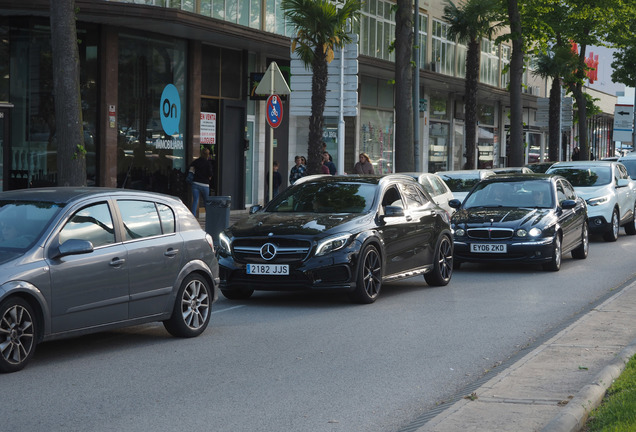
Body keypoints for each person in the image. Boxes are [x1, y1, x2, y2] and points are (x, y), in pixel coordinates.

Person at [189, 147, 213, 216]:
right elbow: (210, 174)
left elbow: (190, 168)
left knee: (195, 200)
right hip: (205, 185)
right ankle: (208, 216)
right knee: (206, 202)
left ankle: (193, 216)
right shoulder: (208, 163)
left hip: (195, 183)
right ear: (207, 155)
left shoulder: (196, 161)